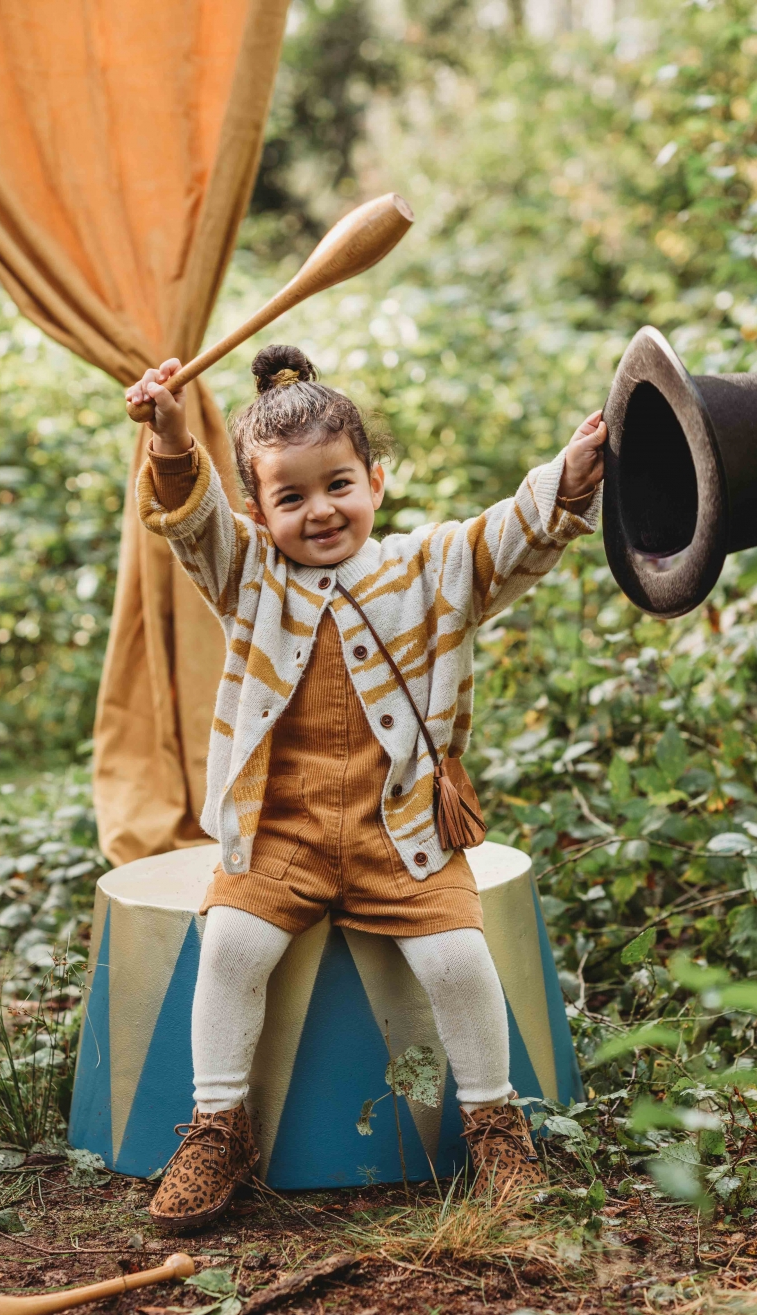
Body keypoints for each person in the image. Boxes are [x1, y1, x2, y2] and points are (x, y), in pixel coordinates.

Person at [127, 344, 605, 1229]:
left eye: (338, 484)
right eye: (290, 496)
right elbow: (194, 523)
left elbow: (510, 535)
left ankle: (497, 1126)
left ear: (375, 480)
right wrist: (169, 440)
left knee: (459, 959)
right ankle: (218, 1127)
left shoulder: (428, 569)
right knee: (231, 949)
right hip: (281, 832)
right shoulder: (249, 577)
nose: (320, 511)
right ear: (259, 510)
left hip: (405, 833)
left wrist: (567, 479)